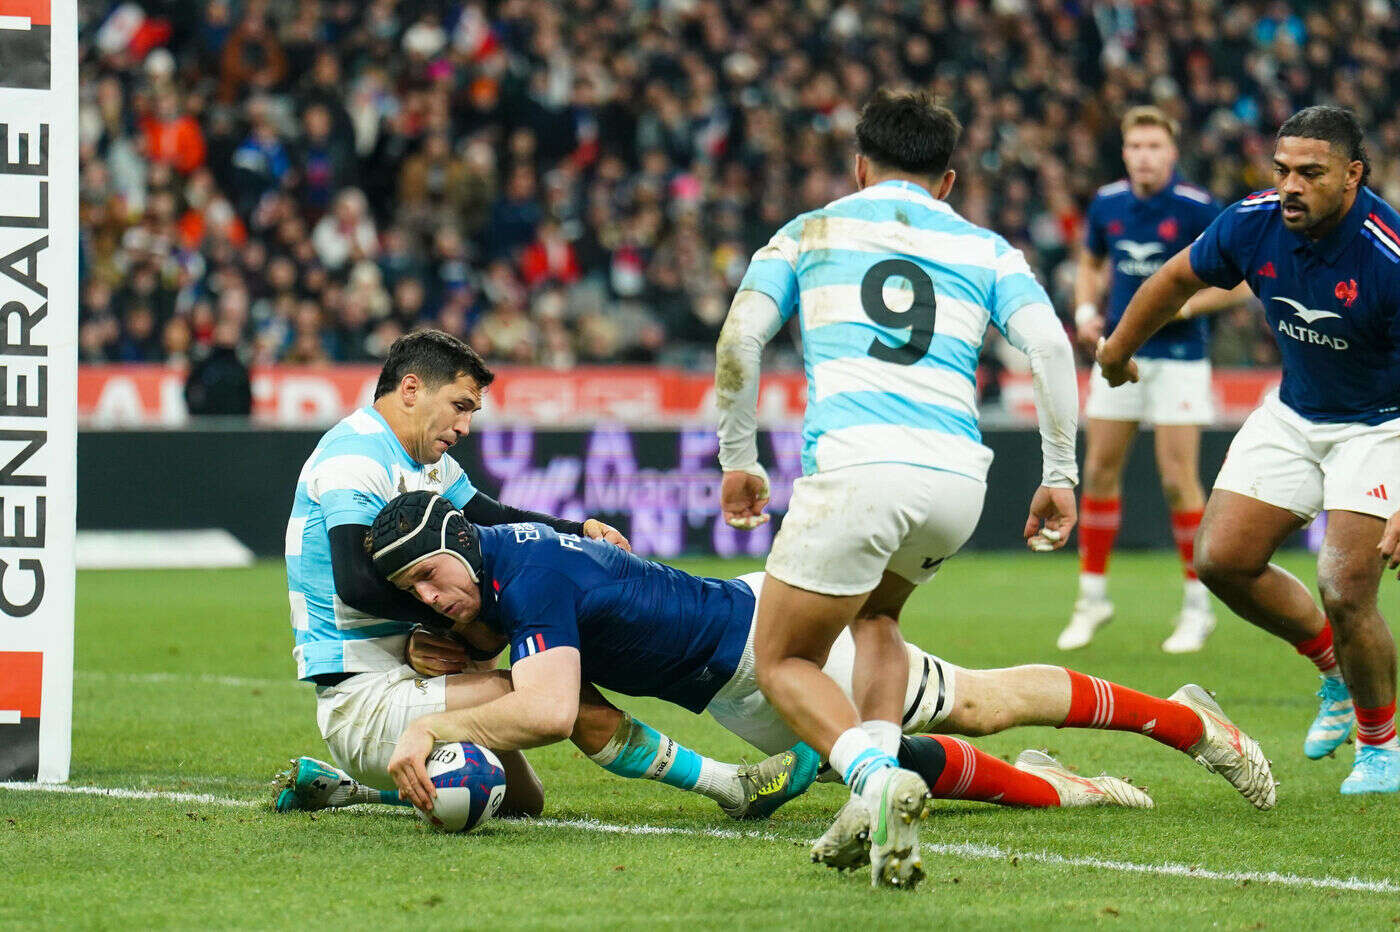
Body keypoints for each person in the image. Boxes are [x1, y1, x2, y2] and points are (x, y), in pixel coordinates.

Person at [370, 492, 1274, 857]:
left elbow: (545, 706)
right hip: (734, 693)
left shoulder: (529, 574)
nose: (429, 598)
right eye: (411, 591)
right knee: (895, 764)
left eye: (427, 578)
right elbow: (567, 703)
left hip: (774, 642)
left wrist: (431, 725)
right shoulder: (498, 570)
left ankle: (1190, 724)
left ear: (457, 542)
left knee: (978, 702)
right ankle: (1051, 788)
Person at [712, 89, 1081, 888]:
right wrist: (1060, 472)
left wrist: (738, 455)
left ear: (859, 165)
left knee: (782, 658)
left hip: (858, 467)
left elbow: (741, 335)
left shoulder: (810, 230)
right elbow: (1050, 349)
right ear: (947, 180)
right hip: (956, 480)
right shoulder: (986, 247)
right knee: (878, 618)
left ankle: (874, 782)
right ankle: (876, 790)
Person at [280, 329, 772, 818]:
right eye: (460, 405)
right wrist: (459, 624)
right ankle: (730, 784)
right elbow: (356, 583)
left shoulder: (424, 462)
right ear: (411, 390)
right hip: (363, 697)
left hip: (411, 679)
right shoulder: (354, 457)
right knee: (550, 695)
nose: (465, 426)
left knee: (521, 802)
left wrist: (578, 530)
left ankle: (349, 791)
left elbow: (491, 518)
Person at [1097, 106, 1400, 794]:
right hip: (1295, 411)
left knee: (1345, 588)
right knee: (1222, 560)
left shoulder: (1388, 255)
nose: (1291, 185)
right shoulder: (1252, 220)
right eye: (1283, 169)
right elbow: (1176, 279)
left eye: (1311, 173)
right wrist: (1118, 351)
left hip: (1383, 425)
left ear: (1352, 176)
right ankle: (1334, 672)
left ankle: (1382, 748)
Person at [1059, 106, 1249, 654]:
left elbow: (1240, 282)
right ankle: (1092, 598)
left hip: (1180, 357)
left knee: (1175, 477)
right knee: (1097, 469)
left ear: (1172, 153)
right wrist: (1085, 308)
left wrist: (1184, 308)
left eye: (1154, 146)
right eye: (1135, 146)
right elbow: (1091, 260)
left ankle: (1196, 606)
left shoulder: (1196, 208)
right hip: (1119, 351)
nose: (1144, 155)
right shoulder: (1108, 203)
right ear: (1125, 152)